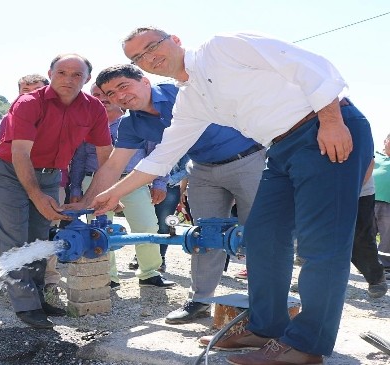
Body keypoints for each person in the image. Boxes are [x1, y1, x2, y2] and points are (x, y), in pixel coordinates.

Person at [92, 27, 373, 364]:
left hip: (323, 127)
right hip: (280, 148)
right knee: (261, 237)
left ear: (176, 41)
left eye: (152, 47)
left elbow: (307, 65)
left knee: (321, 245)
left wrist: (331, 121)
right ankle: (266, 327)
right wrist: (111, 194)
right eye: (137, 57)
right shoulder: (190, 99)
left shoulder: (221, 48)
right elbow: (161, 158)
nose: (148, 58)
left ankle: (306, 346)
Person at [89, 64, 265, 324]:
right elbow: (114, 165)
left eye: (123, 86)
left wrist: (114, 194)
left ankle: (265, 305)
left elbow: (156, 164)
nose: (120, 96)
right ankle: (201, 300)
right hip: (202, 169)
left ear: (145, 81)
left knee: (263, 234)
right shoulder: (131, 125)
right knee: (206, 236)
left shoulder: (180, 93)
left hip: (248, 160)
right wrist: (89, 201)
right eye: (111, 93)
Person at [0, 54, 112, 329]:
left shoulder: (93, 108)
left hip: (50, 174)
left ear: (87, 79)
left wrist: (93, 199)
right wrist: (36, 195)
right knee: (15, 237)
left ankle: (37, 297)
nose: (68, 79)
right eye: (62, 72)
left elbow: (107, 157)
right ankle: (25, 306)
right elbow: (20, 153)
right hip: (10, 171)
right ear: (50, 73)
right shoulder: (29, 102)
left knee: (40, 238)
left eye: (76, 75)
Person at [70, 82, 176, 288]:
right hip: (95, 181)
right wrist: (76, 188)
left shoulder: (137, 122)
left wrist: (160, 182)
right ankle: (107, 276)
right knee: (99, 229)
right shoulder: (87, 126)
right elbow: (79, 158)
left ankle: (149, 272)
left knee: (147, 225)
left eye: (106, 94)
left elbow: (158, 152)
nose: (102, 98)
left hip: (133, 180)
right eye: (96, 94)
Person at [373, 133, 390, 272]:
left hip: (388, 203)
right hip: (368, 200)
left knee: (387, 236)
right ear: (385, 141)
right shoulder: (374, 156)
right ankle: (366, 263)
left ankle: (385, 266)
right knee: (365, 234)